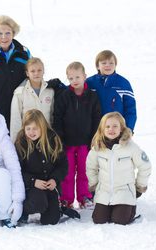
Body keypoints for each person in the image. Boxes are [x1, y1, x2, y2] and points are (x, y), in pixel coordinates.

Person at [86, 112, 151, 225]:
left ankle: (129, 209)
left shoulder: (131, 147)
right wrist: (95, 184)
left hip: (124, 192)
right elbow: (91, 167)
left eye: (115, 126)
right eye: (107, 126)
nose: (111, 129)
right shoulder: (97, 147)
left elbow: (145, 166)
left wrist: (139, 187)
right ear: (102, 129)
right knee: (99, 220)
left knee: (120, 220)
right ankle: (109, 209)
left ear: (121, 128)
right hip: (104, 192)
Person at [53, 62, 101, 209]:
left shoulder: (92, 96)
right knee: (67, 173)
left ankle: (85, 197)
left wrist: (94, 138)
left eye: (78, 77)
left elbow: (96, 118)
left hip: (85, 143)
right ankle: (66, 199)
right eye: (71, 78)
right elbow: (58, 118)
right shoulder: (64, 96)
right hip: (67, 143)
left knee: (84, 171)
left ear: (85, 76)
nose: (75, 80)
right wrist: (60, 139)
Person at [15, 109, 68, 225]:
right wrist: (33, 181)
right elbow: (16, 171)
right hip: (31, 187)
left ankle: (56, 208)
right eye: (28, 128)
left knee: (51, 220)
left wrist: (55, 179)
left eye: (35, 128)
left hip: (50, 185)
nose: (31, 132)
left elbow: (63, 165)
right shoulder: (21, 144)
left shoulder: (52, 140)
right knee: (39, 202)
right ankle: (22, 210)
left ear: (42, 127)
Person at [85, 50, 137, 131]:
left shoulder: (123, 83)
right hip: (95, 130)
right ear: (98, 66)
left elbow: (130, 109)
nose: (108, 65)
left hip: (116, 130)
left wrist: (129, 128)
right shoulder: (89, 82)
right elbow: (74, 88)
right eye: (104, 63)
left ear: (115, 65)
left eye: (111, 63)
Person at [10, 57, 54, 142]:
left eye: (39, 70)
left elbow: (52, 116)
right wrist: (15, 142)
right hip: (27, 137)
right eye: (32, 71)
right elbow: (15, 119)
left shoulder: (50, 91)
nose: (36, 73)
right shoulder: (19, 92)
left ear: (44, 71)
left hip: (45, 137)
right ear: (27, 73)